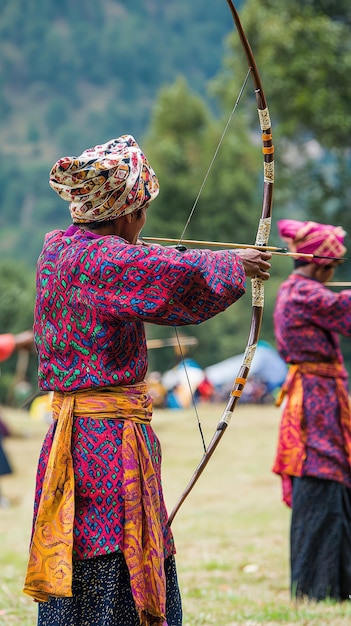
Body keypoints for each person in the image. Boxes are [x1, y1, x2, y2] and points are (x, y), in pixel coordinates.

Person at [22, 134, 271, 626]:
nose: (144, 222)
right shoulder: (106, 260)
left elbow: (140, 264)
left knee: (87, 547)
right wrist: (232, 264)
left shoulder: (58, 248)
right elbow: (165, 276)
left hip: (74, 437)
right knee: (111, 550)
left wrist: (179, 255)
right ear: (125, 215)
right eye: (141, 212)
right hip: (105, 445)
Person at [272, 219, 351, 602]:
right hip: (316, 406)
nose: (332, 275)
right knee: (322, 476)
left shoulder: (300, 289)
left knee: (332, 479)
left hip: (321, 400)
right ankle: (320, 589)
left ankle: (335, 585)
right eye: (332, 268)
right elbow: (345, 313)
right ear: (321, 265)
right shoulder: (304, 294)